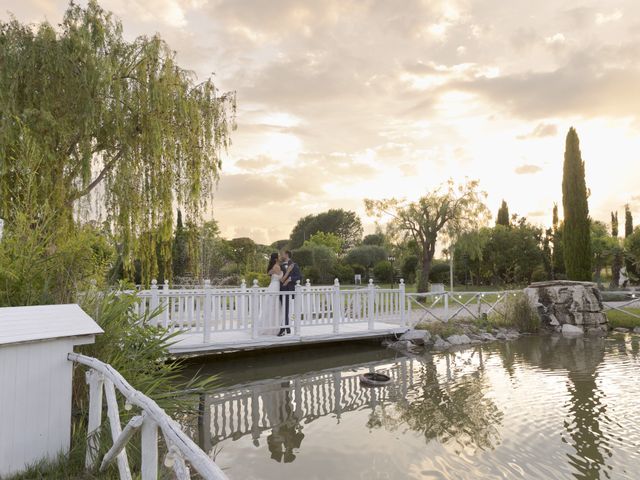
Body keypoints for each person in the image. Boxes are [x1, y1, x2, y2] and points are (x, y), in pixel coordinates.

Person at [279, 250, 302, 336]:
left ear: (287, 255)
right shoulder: (281, 265)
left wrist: (290, 279)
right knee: (283, 309)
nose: (281, 255)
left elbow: (299, 276)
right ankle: (287, 327)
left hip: (289, 289)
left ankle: (283, 328)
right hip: (281, 290)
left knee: (286, 309)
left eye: (283, 254)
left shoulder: (294, 265)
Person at [259, 252, 283, 336]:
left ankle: (270, 326)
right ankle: (273, 328)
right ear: (276, 259)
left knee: (271, 306)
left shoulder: (273, 266)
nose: (280, 257)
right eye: (279, 256)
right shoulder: (276, 266)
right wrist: (288, 271)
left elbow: (270, 273)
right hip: (275, 286)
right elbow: (281, 279)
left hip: (272, 286)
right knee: (274, 306)